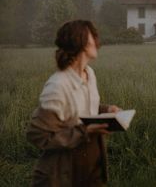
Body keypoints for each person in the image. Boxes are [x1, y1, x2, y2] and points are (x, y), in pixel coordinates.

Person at [26, 19, 122, 187]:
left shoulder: (90, 74)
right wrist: (84, 131)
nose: (96, 41)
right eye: (92, 36)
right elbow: (38, 135)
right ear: (81, 41)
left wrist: (106, 110)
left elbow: (81, 109)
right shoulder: (57, 86)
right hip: (64, 173)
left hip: (93, 166)